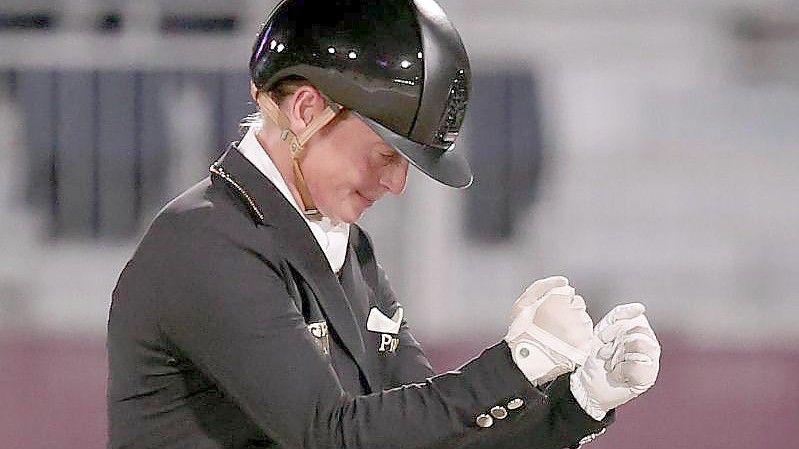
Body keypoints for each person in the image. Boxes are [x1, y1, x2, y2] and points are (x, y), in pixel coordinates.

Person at [107, 1, 662, 448]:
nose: (397, 184)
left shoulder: (347, 249)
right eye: (385, 154)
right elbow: (329, 434)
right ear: (305, 110)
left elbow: (431, 433)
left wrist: (577, 402)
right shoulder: (206, 244)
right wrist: (518, 363)